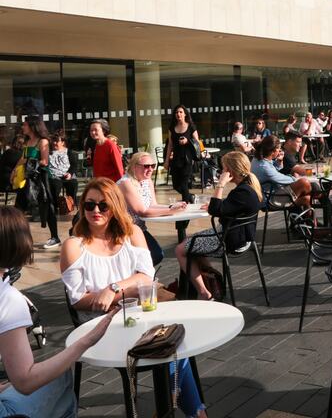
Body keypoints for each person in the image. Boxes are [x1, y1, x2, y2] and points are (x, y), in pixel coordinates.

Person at [61, 179, 207, 417]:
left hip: (140, 312)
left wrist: (112, 289)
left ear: (115, 206)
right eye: (89, 205)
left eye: (103, 205)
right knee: (169, 345)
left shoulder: (133, 233)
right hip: (99, 323)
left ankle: (181, 410)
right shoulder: (74, 246)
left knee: (171, 342)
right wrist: (130, 289)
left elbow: (147, 277)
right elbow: (79, 301)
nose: (95, 211)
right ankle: (194, 412)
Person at [0, 205, 117, 418]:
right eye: (90, 205)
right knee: (59, 376)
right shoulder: (8, 299)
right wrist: (84, 342)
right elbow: (26, 381)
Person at [176, 152, 264, 299]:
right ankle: (211, 277)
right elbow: (233, 207)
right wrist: (221, 204)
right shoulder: (250, 187)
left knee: (180, 249)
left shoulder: (242, 192)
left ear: (231, 171)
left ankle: (204, 293)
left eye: (224, 169)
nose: (222, 172)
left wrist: (220, 184)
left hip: (230, 241)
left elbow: (215, 210)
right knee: (191, 244)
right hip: (244, 237)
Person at [119, 152, 188, 266]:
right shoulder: (126, 183)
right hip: (123, 230)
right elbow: (141, 211)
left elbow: (152, 205)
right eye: (146, 166)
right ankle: (135, 279)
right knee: (153, 255)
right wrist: (171, 211)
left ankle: (140, 278)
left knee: (156, 255)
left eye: (153, 166)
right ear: (134, 166)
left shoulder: (147, 181)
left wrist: (173, 206)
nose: (150, 169)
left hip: (138, 229)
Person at [15, 116, 59, 249]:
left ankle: (55, 237)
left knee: (47, 206)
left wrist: (30, 163)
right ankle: (17, 237)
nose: (23, 127)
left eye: (25, 125)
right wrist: (14, 171)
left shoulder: (43, 141)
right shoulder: (28, 141)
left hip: (41, 179)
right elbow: (23, 159)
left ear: (33, 126)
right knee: (19, 207)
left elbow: (45, 161)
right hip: (28, 178)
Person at [251, 136, 313, 213]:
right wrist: (314, 172)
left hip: (270, 193)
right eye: (298, 142)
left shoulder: (259, 158)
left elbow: (271, 170)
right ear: (289, 141)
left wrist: (279, 162)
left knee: (307, 198)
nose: (301, 145)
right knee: (305, 183)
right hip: (270, 198)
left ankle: (309, 222)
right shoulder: (287, 157)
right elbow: (300, 171)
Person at [165, 105, 200, 204]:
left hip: (187, 159)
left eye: (180, 112)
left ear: (185, 114)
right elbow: (170, 145)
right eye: (176, 112)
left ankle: (186, 205)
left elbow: (197, 142)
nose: (178, 114)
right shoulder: (172, 128)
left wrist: (187, 141)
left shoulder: (191, 126)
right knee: (176, 185)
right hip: (176, 159)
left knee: (184, 184)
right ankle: (190, 197)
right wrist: (167, 161)